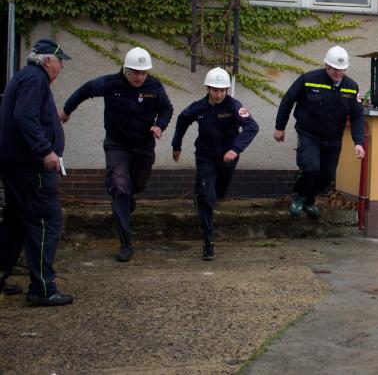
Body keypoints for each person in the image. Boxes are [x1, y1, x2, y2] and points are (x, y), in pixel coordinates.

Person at [61, 47, 173, 262]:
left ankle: (127, 193)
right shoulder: (111, 83)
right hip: (117, 145)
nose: (139, 77)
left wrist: (160, 125)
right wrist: (67, 110)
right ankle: (125, 244)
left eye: (143, 73)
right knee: (120, 188)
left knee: (137, 186)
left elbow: (167, 109)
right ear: (126, 69)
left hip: (143, 147)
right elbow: (84, 91)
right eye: (135, 73)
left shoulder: (154, 87)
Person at [0, 39, 74, 306]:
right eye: (60, 61)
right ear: (47, 61)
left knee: (16, 222)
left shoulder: (25, 77)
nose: (62, 66)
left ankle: (2, 273)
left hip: (17, 165)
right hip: (31, 167)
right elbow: (25, 116)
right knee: (47, 221)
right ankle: (42, 288)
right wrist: (45, 150)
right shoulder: (35, 79)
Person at [171, 68, 259, 260]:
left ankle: (202, 196)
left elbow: (252, 127)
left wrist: (235, 149)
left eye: (222, 90)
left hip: (228, 158)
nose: (218, 95)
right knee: (207, 197)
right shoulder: (199, 107)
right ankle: (208, 241)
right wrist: (176, 146)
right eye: (214, 90)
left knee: (218, 194)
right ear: (208, 89)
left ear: (227, 90)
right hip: (206, 157)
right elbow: (182, 120)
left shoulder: (234, 106)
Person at [273, 46, 365, 218]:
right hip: (309, 134)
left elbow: (357, 116)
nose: (338, 73)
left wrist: (358, 142)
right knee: (311, 168)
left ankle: (309, 200)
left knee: (327, 175)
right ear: (326, 66)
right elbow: (288, 101)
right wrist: (280, 127)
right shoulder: (309, 80)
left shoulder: (351, 87)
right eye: (335, 69)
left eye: (342, 69)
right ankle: (300, 197)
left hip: (333, 138)